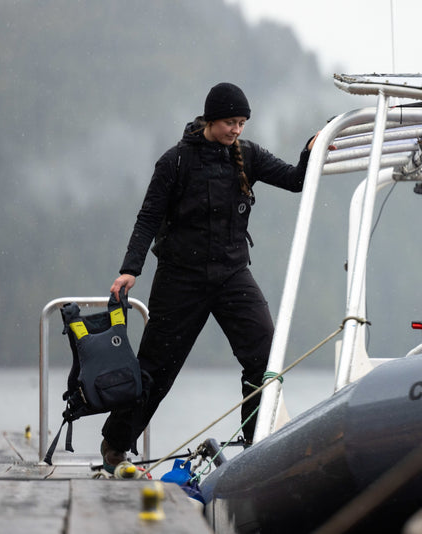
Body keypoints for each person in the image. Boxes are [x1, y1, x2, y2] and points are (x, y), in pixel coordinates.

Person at [101, 82, 323, 471]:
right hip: (179, 278)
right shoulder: (176, 161)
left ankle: (254, 443)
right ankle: (115, 444)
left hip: (232, 274)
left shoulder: (248, 155)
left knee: (264, 352)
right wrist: (129, 269)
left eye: (241, 123)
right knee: (156, 369)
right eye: (229, 123)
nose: (236, 130)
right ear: (209, 119)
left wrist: (312, 149)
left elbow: (295, 180)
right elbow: (148, 218)